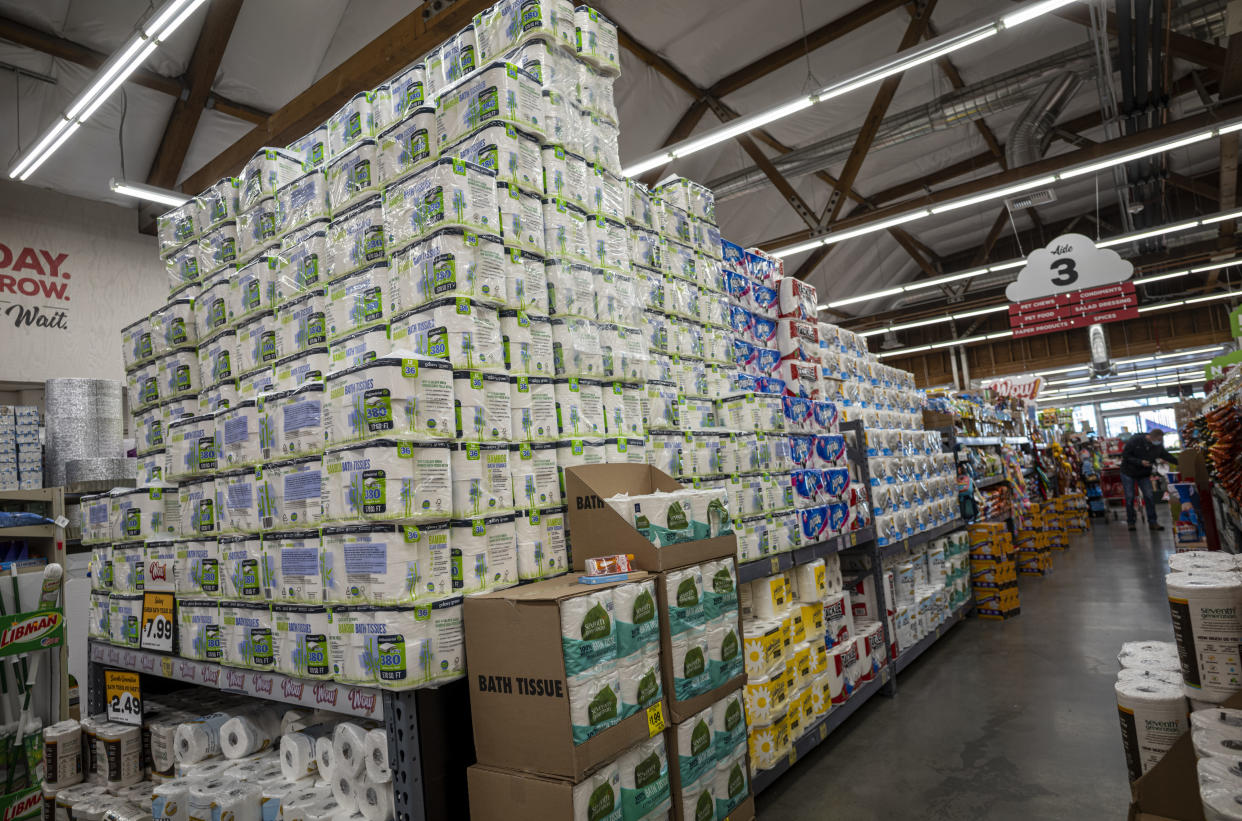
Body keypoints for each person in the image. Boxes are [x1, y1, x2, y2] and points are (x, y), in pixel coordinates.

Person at [1119, 429, 1178, 531]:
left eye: (1160, 440)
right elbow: (1125, 455)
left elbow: (1166, 455)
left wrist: (1181, 462)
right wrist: (1140, 462)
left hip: (1144, 474)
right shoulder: (1135, 440)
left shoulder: (1158, 446)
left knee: (1149, 496)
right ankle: (1131, 522)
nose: (1159, 442)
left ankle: (1153, 522)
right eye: (1158, 440)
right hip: (1128, 472)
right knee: (1129, 497)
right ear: (1150, 437)